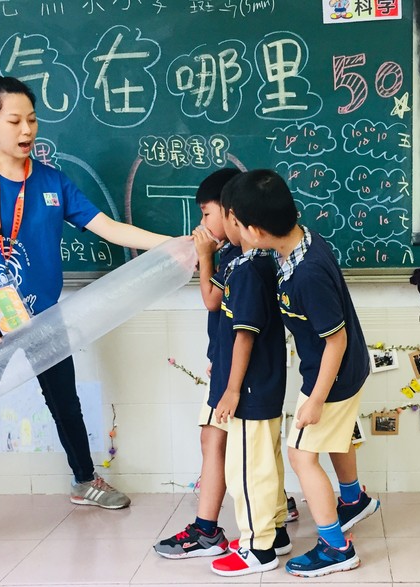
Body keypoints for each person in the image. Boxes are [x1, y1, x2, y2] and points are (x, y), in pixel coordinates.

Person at [0, 76, 170, 579]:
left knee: (65, 401)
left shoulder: (52, 181)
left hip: (45, 319)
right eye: (14, 120)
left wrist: (176, 242)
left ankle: (84, 481)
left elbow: (108, 228)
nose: (27, 129)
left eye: (31, 119)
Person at [223, 169, 380, 578]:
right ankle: (353, 500)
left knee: (300, 456)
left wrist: (315, 400)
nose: (234, 231)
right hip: (339, 370)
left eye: (236, 223)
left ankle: (336, 547)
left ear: (256, 231)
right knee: (335, 436)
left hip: (333, 376)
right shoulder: (298, 242)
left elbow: (336, 341)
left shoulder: (307, 273)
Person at [153, 168, 241, 559]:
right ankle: (273, 507)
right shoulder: (235, 254)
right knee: (222, 439)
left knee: (217, 438)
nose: (201, 224)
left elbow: (212, 300)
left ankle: (206, 530)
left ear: (231, 211)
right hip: (225, 363)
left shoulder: (237, 257)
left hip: (234, 371)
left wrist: (205, 258)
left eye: (206, 214)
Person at [208, 173, 290, 576]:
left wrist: (232, 390)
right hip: (264, 384)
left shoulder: (246, 271)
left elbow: (245, 335)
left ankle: (258, 548)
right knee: (265, 461)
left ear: (236, 220)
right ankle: (276, 530)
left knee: (246, 469)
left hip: (251, 389)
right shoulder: (255, 262)